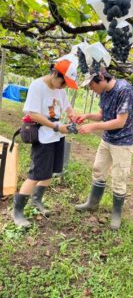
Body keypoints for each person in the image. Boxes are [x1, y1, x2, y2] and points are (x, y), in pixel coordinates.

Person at [12, 59, 78, 227]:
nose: (63, 87)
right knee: (35, 175)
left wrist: (73, 116)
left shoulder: (59, 89)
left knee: (49, 173)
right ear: (55, 74)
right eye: (63, 83)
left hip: (56, 136)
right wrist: (56, 126)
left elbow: (67, 106)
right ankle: (17, 211)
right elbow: (33, 113)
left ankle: (37, 200)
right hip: (43, 136)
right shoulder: (37, 86)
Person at [75, 68, 133, 230]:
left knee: (119, 177)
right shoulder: (103, 92)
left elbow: (119, 122)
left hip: (123, 142)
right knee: (98, 169)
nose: (91, 89)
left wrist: (93, 127)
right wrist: (87, 116)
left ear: (101, 78)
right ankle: (92, 203)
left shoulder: (124, 90)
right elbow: (102, 114)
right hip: (108, 139)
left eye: (91, 85)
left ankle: (116, 214)